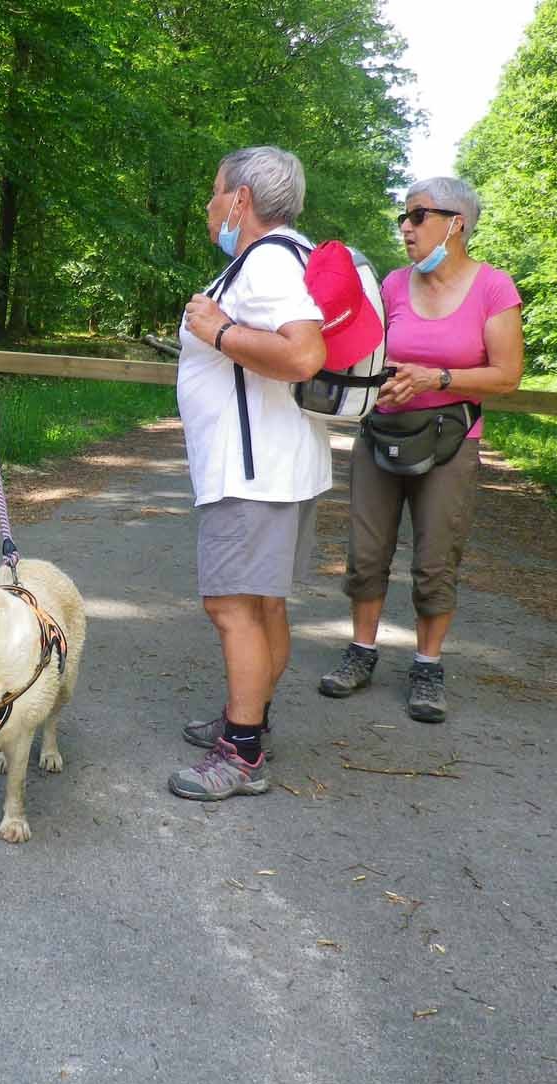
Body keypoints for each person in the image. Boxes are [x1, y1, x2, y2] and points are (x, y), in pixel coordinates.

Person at [316, 176, 523, 722]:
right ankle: (361, 653)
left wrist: (437, 378)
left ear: (456, 223)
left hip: (451, 441)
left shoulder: (494, 288)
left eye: (417, 216)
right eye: (402, 218)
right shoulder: (391, 284)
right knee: (365, 553)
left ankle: (428, 667)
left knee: (435, 562)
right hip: (382, 434)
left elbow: (506, 376)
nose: (405, 227)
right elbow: (366, 352)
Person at [165, 146, 330, 802]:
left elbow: (304, 353)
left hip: (252, 471)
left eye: (214, 193)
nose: (208, 207)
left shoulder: (265, 261)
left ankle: (241, 754)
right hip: (275, 465)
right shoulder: (292, 255)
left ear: (241, 200)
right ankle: (247, 718)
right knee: (261, 607)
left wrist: (220, 329)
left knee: (232, 606)